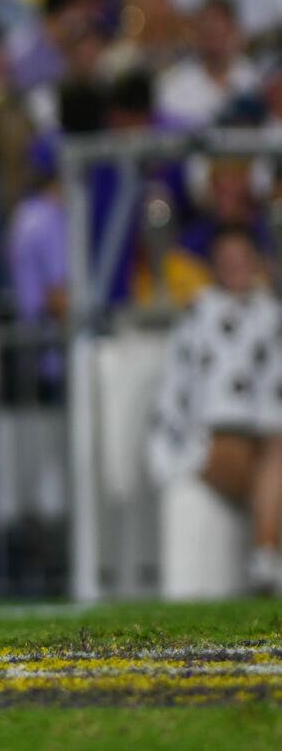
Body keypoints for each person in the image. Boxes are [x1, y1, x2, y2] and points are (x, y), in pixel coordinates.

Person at [149, 226, 282, 592]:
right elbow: (179, 391)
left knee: (275, 451)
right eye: (226, 261)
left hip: (265, 439)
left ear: (257, 262)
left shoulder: (271, 314)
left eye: (242, 260)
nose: (234, 268)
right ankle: (267, 556)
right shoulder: (198, 315)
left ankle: (266, 558)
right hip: (213, 440)